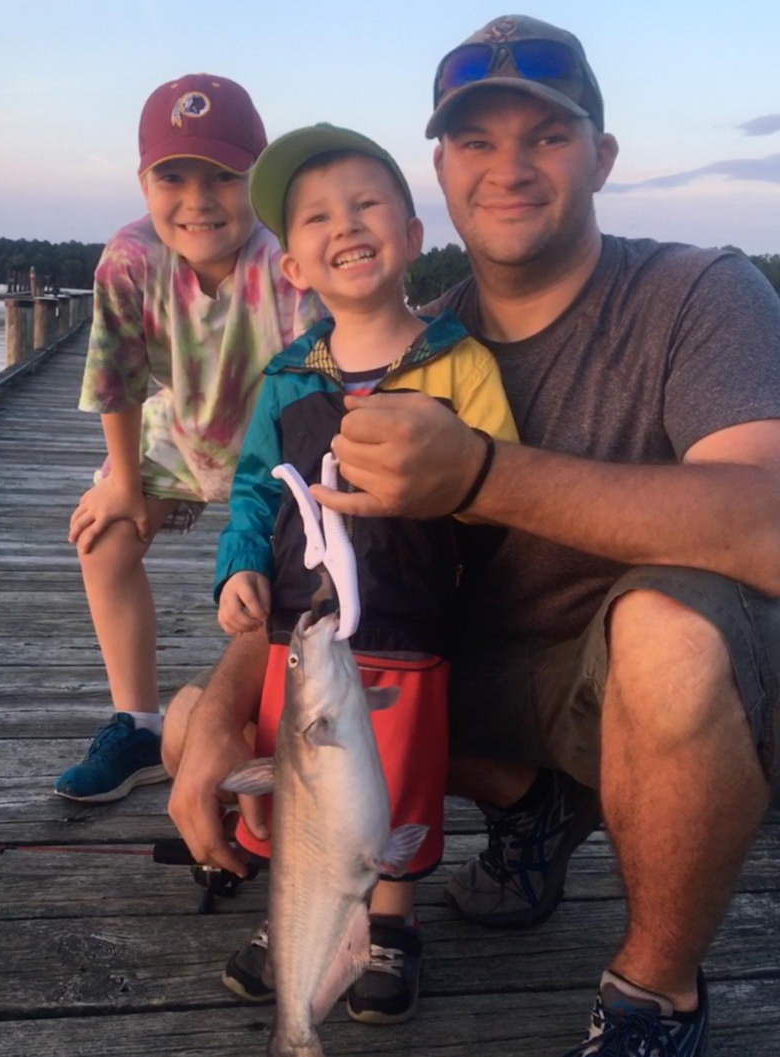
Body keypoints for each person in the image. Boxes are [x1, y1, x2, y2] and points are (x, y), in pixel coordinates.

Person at [301, 15, 780, 1057]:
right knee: (294, 699)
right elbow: (320, 555)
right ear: (440, 169)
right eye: (475, 140)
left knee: (670, 627)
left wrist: (481, 474)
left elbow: (767, 523)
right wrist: (216, 706)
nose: (508, 168)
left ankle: (654, 996)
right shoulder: (409, 340)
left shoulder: (700, 292)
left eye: (547, 136)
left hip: (646, 683)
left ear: (601, 158)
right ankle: (535, 805)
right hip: (482, 675)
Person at [210, 123, 517, 1024]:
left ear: (414, 236)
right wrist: (236, 568)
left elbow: (500, 489)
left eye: (366, 204)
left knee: (400, 779)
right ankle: (294, 913)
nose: (343, 224)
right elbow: (254, 489)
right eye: (315, 218)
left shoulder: (459, 362)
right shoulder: (285, 377)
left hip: (409, 627)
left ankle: (389, 922)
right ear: (293, 264)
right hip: (298, 635)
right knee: (296, 778)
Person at [55, 74, 318, 802]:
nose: (198, 200)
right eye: (173, 177)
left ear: (260, 180)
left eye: (224, 177)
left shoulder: (286, 262)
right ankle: (138, 724)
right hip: (179, 428)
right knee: (102, 538)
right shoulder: (129, 257)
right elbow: (117, 378)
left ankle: (282, 722)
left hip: (277, 439)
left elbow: (317, 386)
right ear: (143, 183)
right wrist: (125, 485)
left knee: (283, 578)